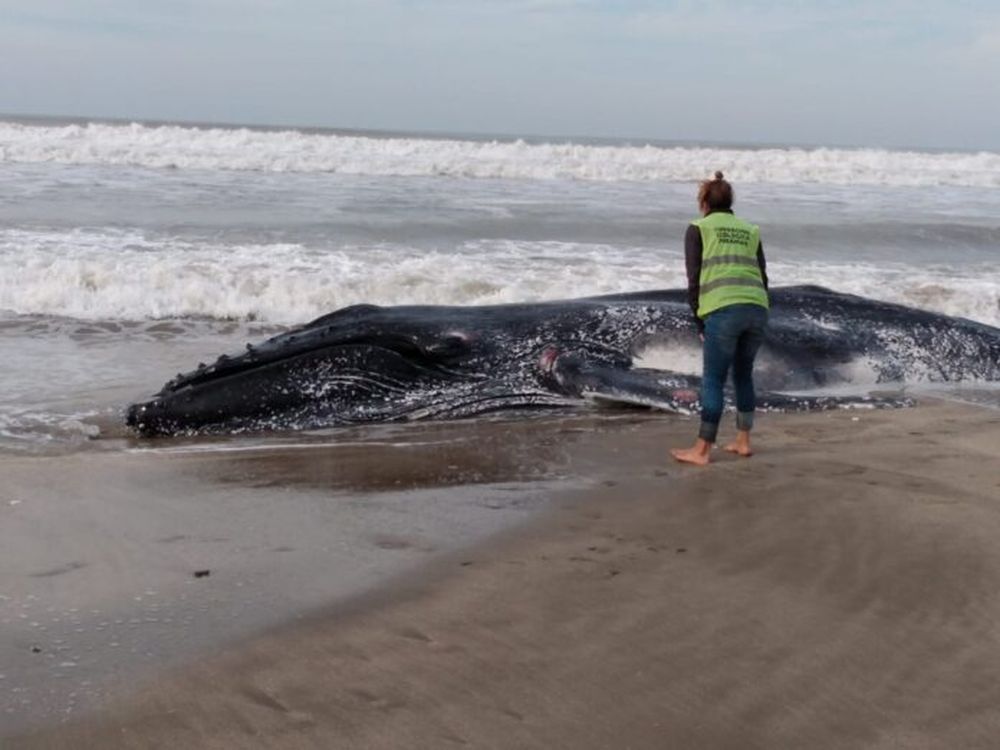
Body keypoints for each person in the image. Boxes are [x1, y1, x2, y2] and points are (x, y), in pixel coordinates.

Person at [671, 171, 769, 466]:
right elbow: (763, 275)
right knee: (743, 375)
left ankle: (701, 451)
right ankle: (743, 442)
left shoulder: (698, 228)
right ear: (730, 202)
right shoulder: (750, 229)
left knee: (713, 379)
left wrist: (700, 322)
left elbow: (694, 279)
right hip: (757, 307)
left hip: (723, 310)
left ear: (704, 202)